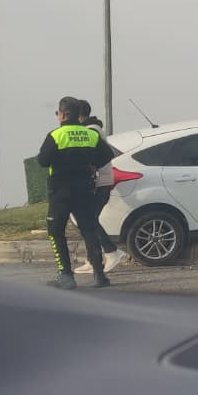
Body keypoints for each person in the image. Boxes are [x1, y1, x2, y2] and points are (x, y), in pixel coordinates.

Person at [36, 96, 115, 289]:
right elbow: (107, 155)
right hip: (85, 189)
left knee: (56, 232)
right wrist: (91, 163)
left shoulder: (56, 135)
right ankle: (99, 275)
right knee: (89, 230)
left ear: (63, 114)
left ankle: (66, 276)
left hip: (60, 191)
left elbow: (43, 161)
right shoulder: (90, 134)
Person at [71, 101, 126, 274]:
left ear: (79, 115)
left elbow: (94, 156)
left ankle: (111, 252)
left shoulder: (91, 131)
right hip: (99, 182)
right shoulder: (92, 128)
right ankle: (92, 258)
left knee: (89, 221)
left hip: (100, 183)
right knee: (86, 221)